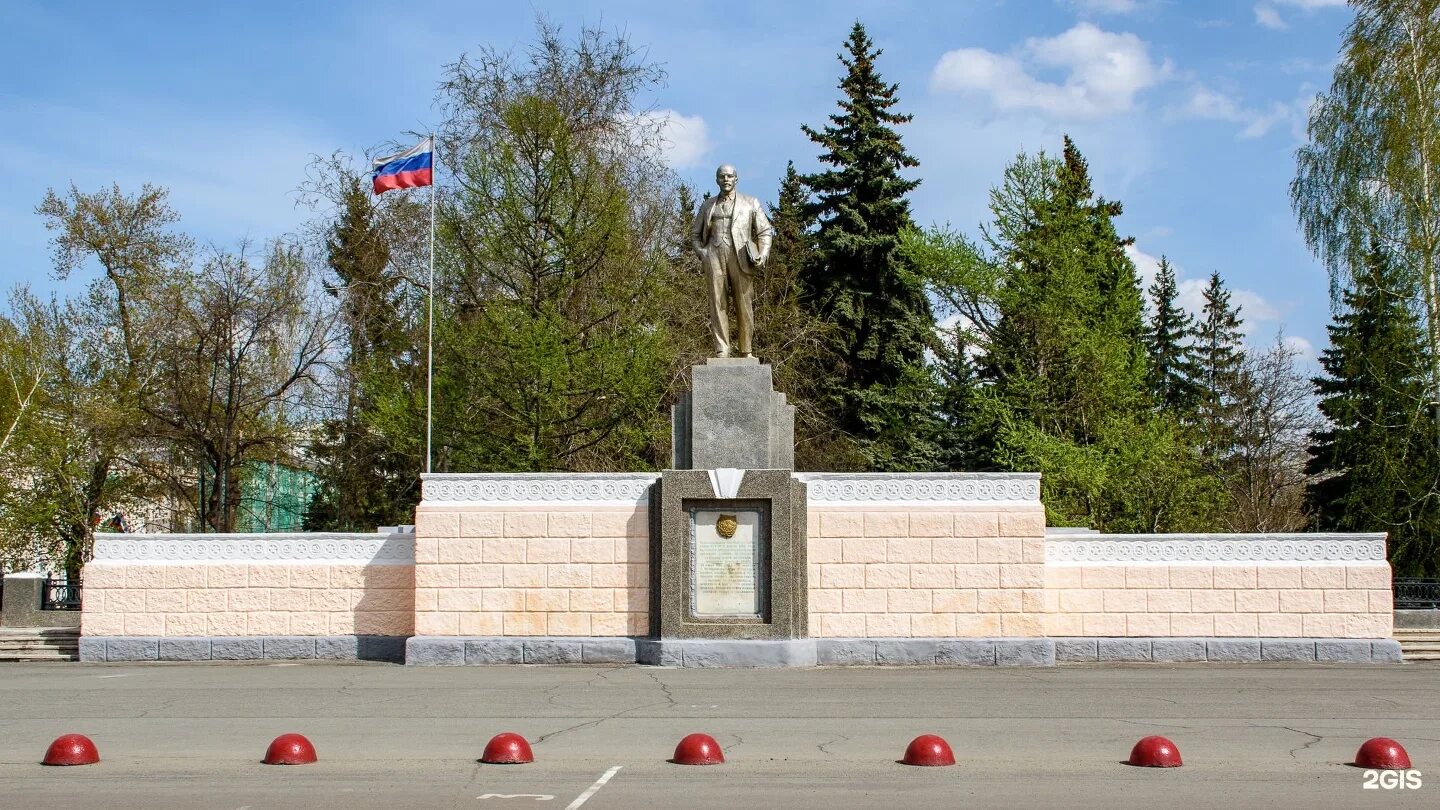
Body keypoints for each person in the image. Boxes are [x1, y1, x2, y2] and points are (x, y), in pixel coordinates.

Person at [691, 164, 774, 357]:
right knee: (717, 303)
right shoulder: (707, 205)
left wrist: (762, 253)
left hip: (741, 257)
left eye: (729, 176)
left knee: (744, 304)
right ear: (717, 180)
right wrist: (702, 253)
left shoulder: (750, 202)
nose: (726, 179)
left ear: (736, 179)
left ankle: (746, 350)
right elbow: (695, 234)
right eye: (722, 176)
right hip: (714, 255)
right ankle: (722, 349)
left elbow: (764, 231)